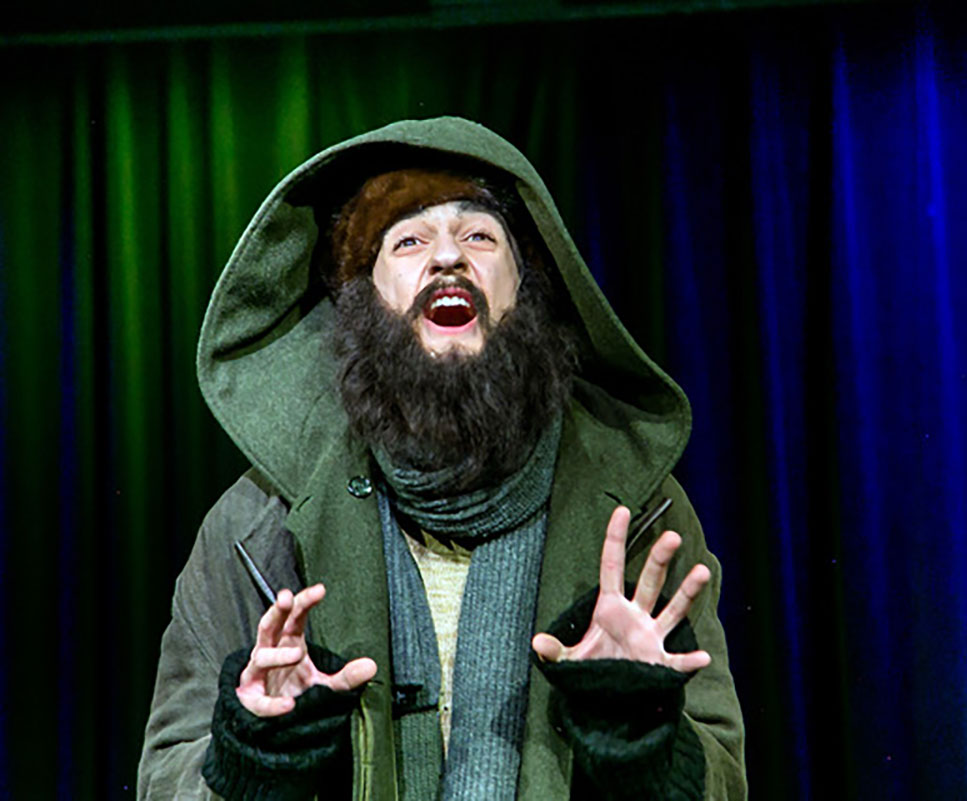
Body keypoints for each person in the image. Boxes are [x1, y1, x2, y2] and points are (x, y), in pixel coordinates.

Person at [137, 117, 746, 800]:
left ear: (527, 286)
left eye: (480, 235)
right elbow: (166, 777)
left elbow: (725, 779)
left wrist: (642, 743)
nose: (448, 256)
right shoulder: (257, 525)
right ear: (363, 300)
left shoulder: (637, 511)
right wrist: (256, 759)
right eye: (409, 240)